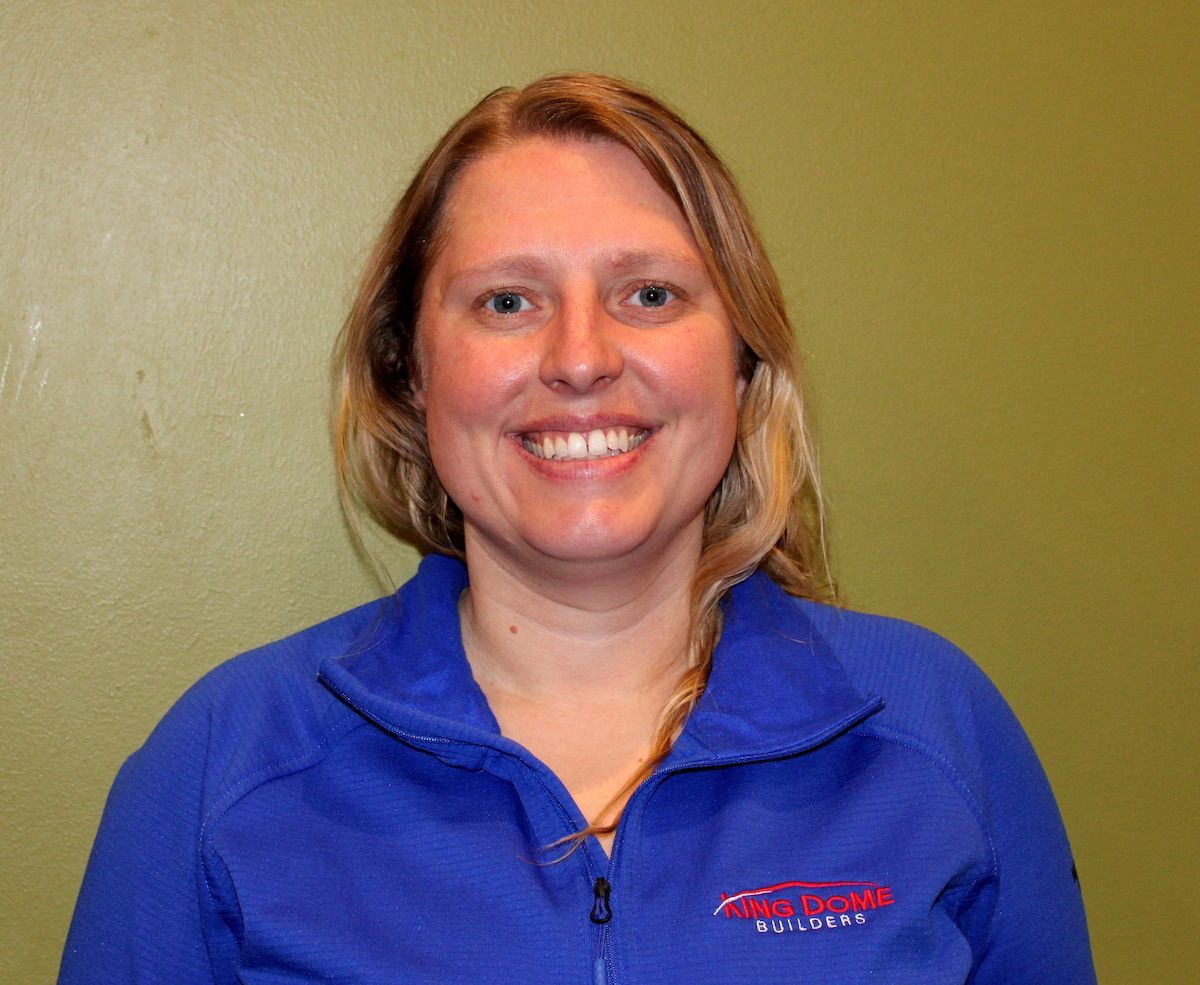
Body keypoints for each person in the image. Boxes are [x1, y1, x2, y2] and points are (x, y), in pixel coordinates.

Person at [59, 73, 1096, 984]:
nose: (582, 357)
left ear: (740, 362)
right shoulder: (222, 770)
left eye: (649, 293)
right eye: (508, 301)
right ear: (412, 374)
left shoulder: (933, 735)